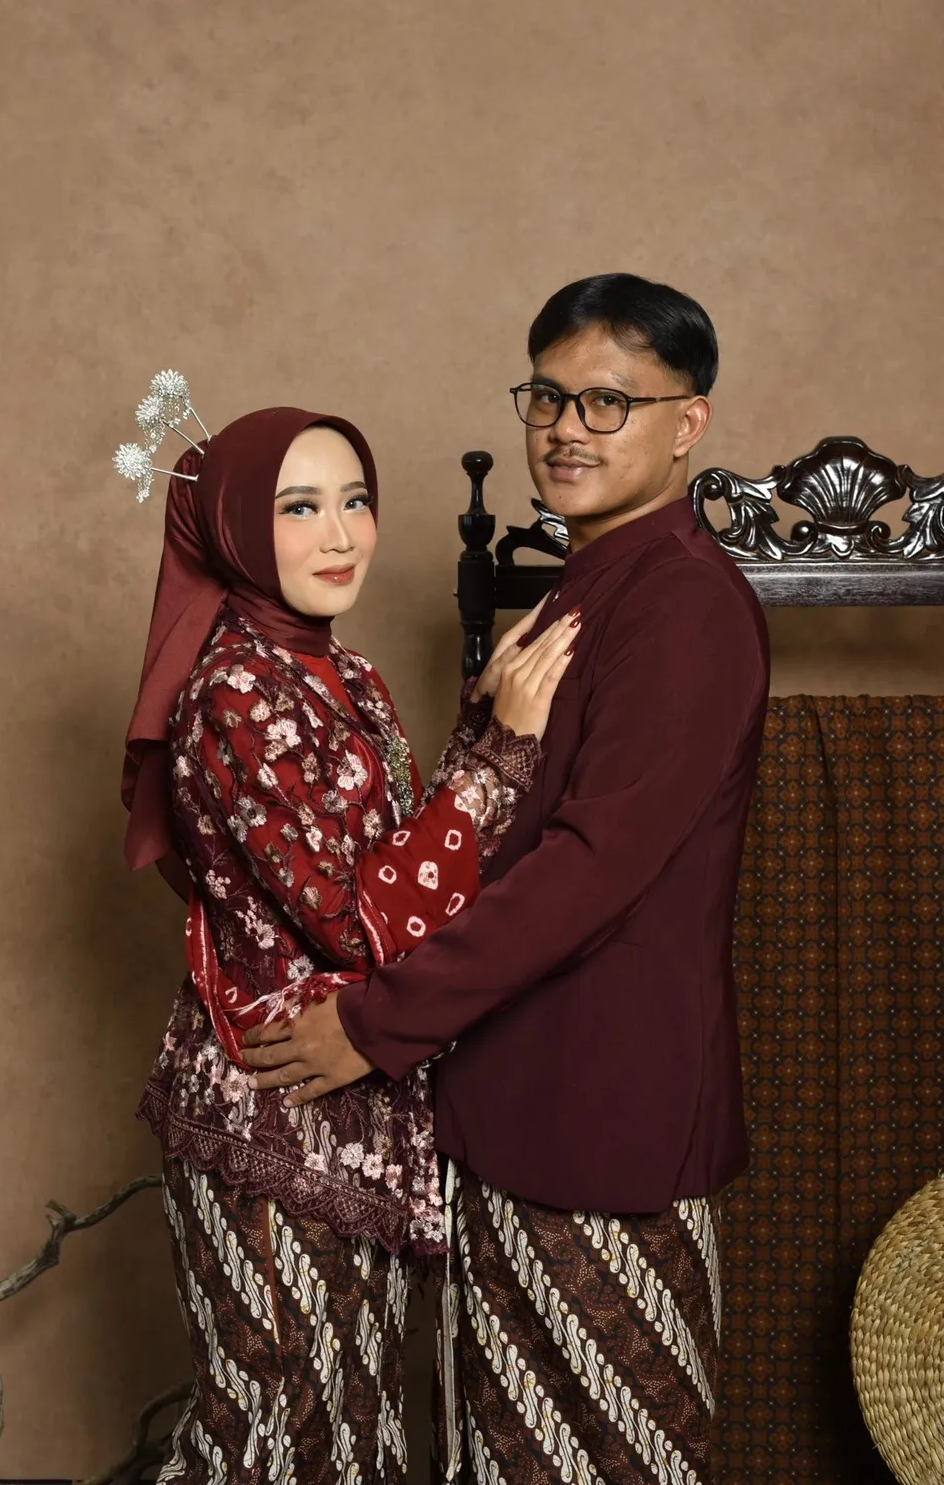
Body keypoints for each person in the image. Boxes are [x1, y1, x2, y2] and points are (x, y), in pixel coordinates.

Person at [242, 275, 771, 1484]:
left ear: (685, 424)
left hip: (603, 1122)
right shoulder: (592, 582)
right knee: (505, 1454)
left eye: (607, 403)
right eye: (547, 397)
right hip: (511, 1100)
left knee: (606, 1458)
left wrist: (375, 1024)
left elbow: (589, 871)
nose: (566, 429)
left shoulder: (684, 606)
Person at [118, 401, 576, 1484]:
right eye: (299, 508)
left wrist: (481, 730)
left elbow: (409, 863)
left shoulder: (345, 673)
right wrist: (500, 753)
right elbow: (352, 919)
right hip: (270, 1114)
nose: (340, 535)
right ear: (236, 529)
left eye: (355, 500)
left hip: (360, 1110)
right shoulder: (231, 693)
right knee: (270, 1435)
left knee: (349, 1431)